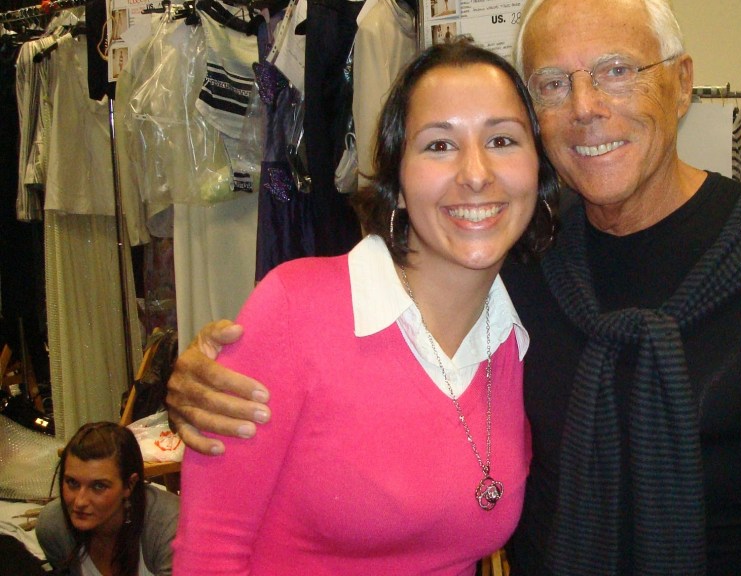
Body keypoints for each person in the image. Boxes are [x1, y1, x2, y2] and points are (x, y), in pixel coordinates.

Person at [166, 0, 741, 574]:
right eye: (553, 83)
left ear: (682, 84)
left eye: (617, 69)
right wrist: (216, 368)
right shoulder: (524, 262)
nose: (585, 104)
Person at [171, 38, 559, 575]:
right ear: (397, 181)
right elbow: (210, 553)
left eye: (501, 139)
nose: (476, 173)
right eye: (439, 145)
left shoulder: (522, 333)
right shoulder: (294, 312)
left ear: (538, 173)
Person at [36, 422, 179, 576]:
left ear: (129, 484)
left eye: (98, 486)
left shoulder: (170, 527)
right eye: (72, 483)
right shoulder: (54, 526)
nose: (80, 502)